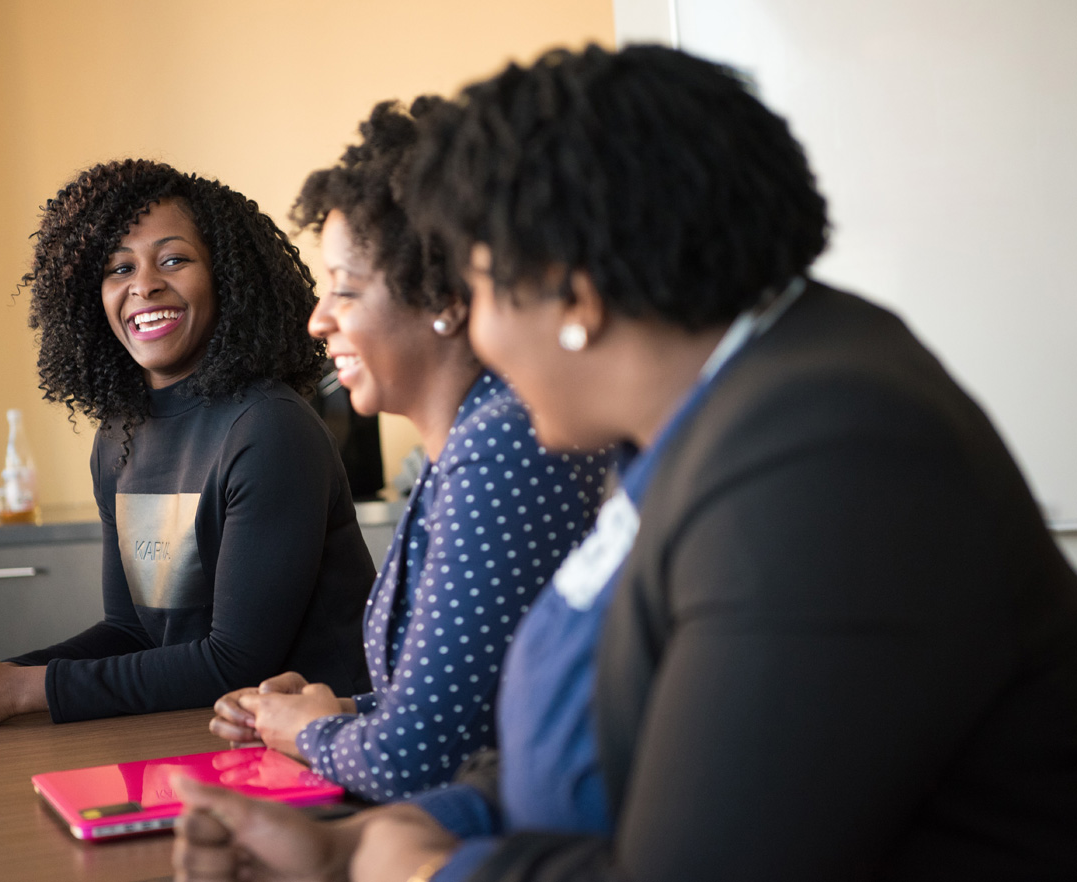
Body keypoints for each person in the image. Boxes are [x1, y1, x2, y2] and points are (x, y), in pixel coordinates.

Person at [170, 44, 1077, 881]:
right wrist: (349, 845)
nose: (479, 335)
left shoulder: (830, 454)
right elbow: (601, 743)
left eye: (480, 290)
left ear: (575, 296)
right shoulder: (717, 416)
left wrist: (417, 869)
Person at [206, 98, 608, 803]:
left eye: (345, 290)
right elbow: (467, 708)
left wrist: (308, 734)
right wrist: (329, 714)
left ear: (443, 298)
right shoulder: (466, 443)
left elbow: (415, 762)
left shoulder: (502, 447)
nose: (318, 318)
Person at [0, 159, 375, 729]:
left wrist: (18, 689)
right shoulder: (119, 435)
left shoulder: (269, 427)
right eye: (118, 268)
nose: (144, 284)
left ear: (226, 277)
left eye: (174, 259)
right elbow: (132, 632)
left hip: (319, 749)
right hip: (194, 730)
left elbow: (234, 661)